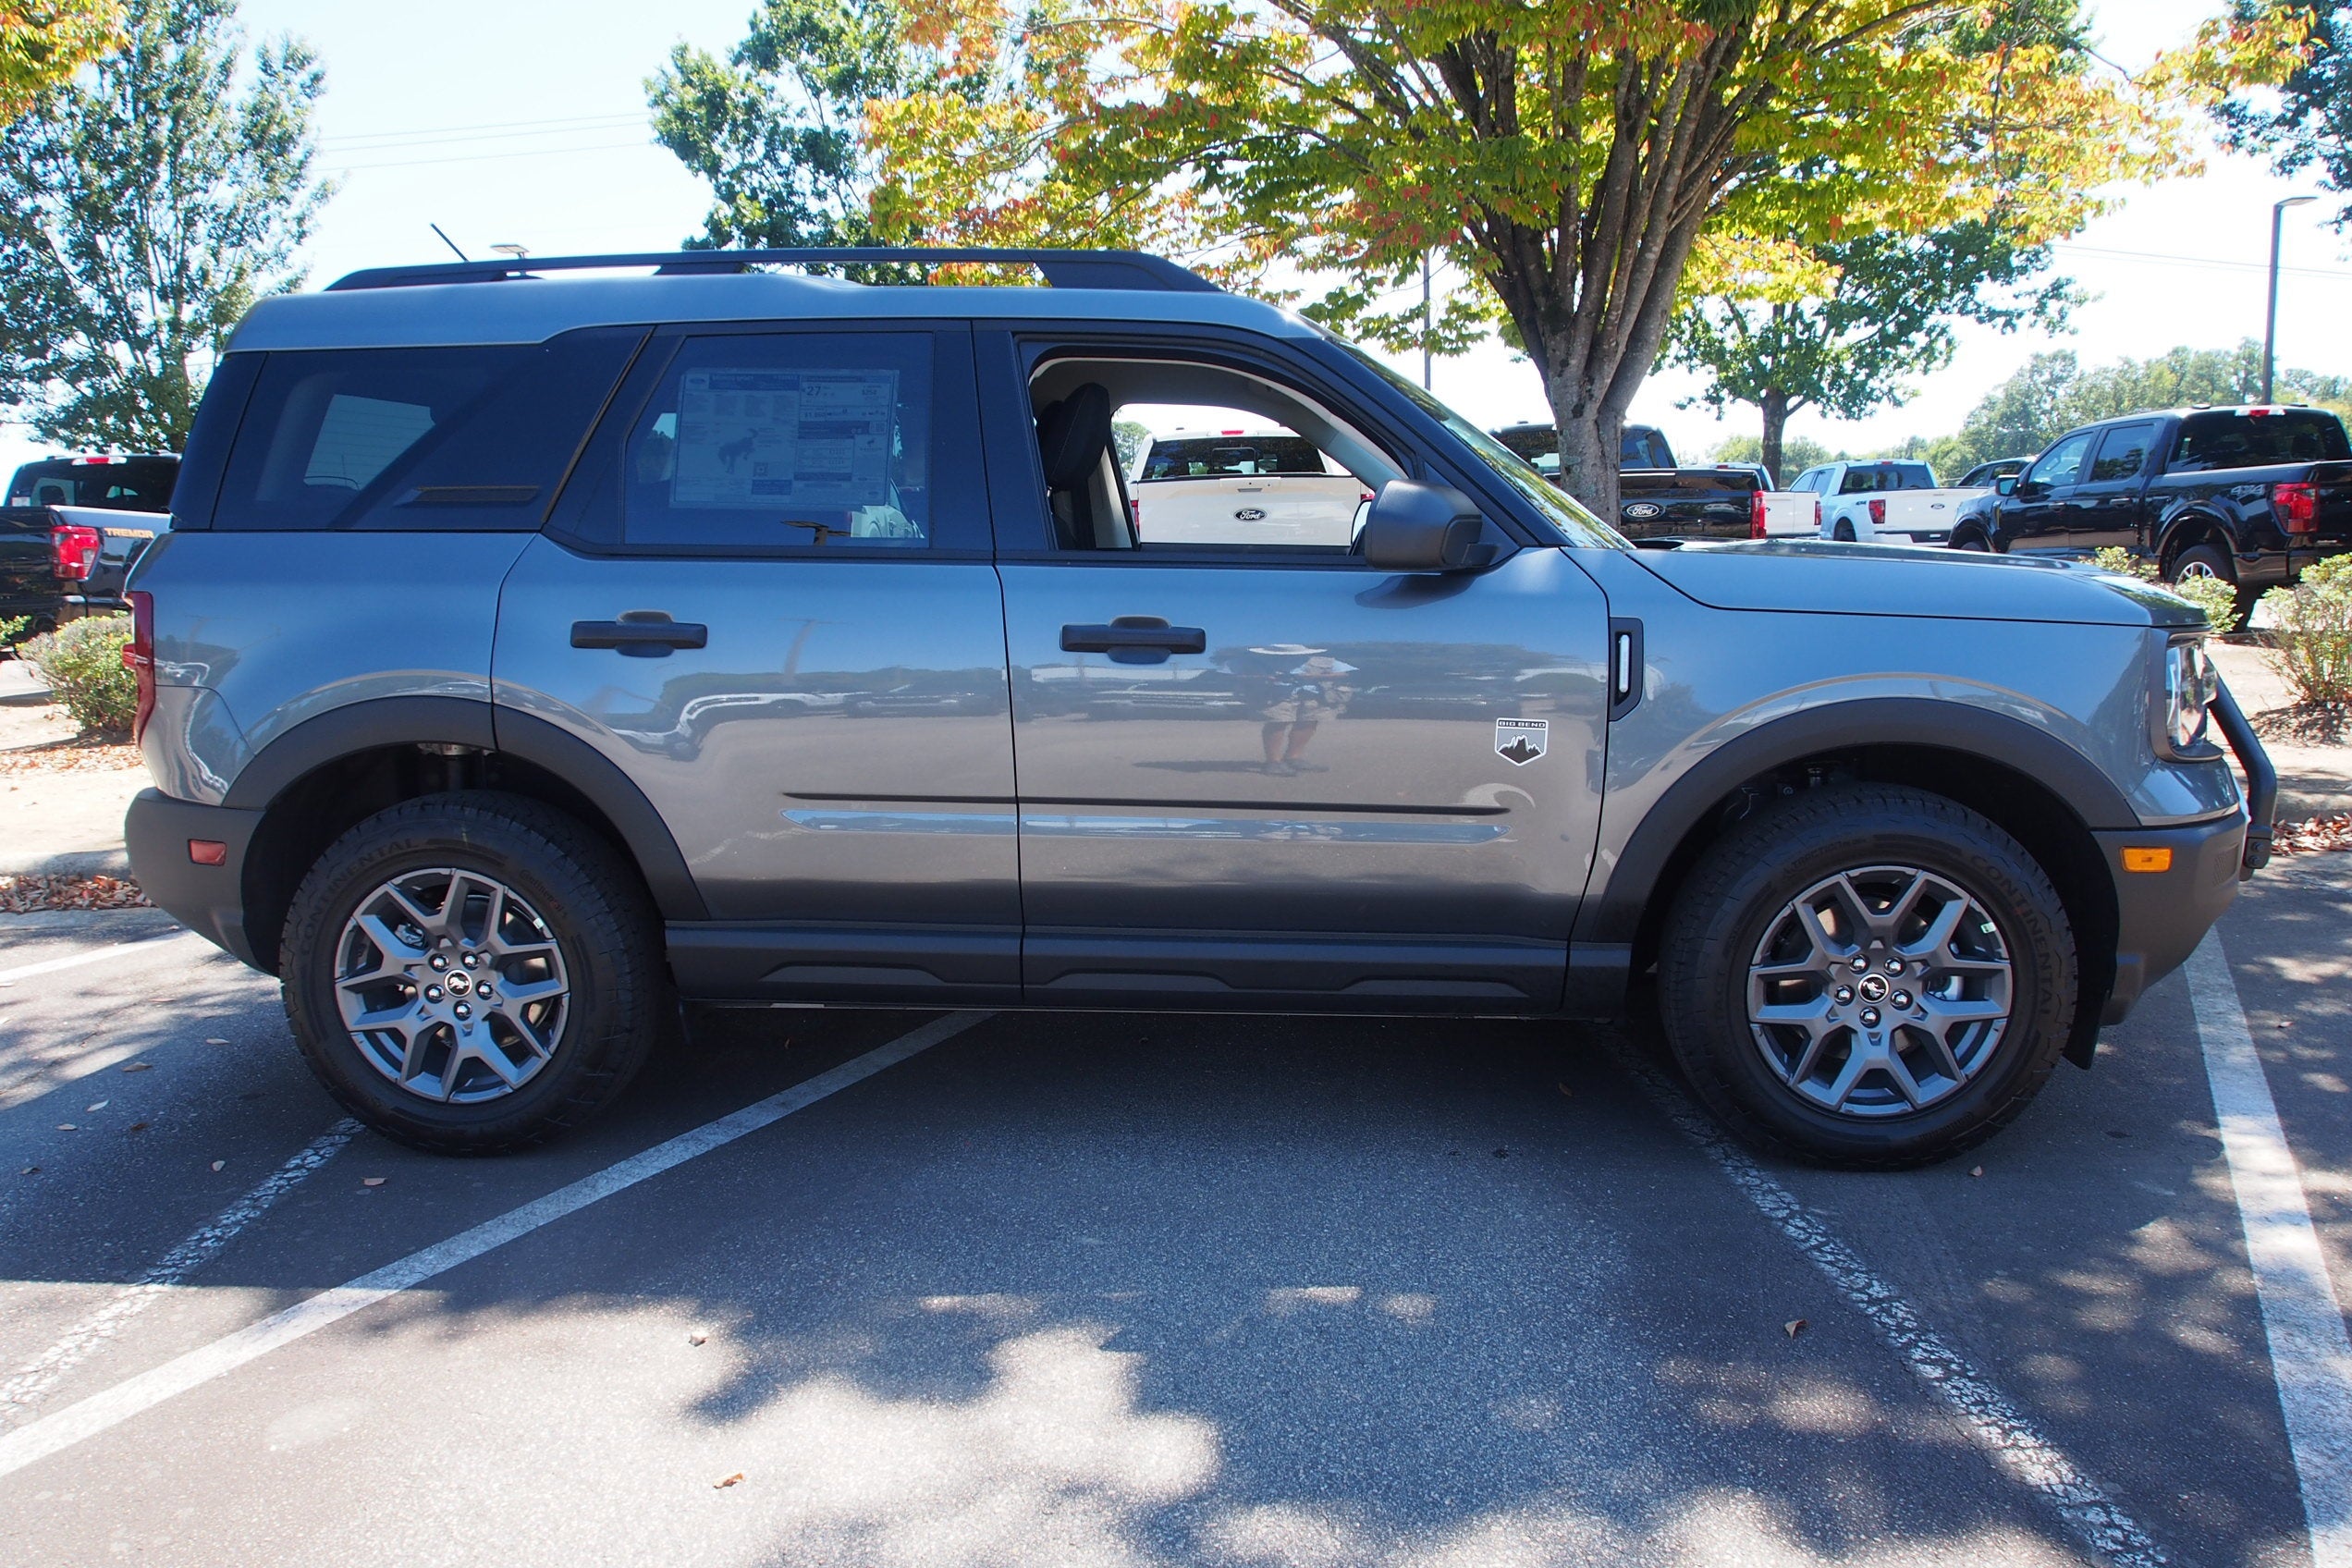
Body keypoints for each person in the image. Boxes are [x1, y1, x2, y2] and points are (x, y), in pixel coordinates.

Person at [1249, 644, 1354, 776]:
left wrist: (1315, 677)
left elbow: (1345, 673)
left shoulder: (1323, 661)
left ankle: (1293, 758)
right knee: (1277, 723)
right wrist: (1265, 678)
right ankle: (1273, 762)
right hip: (1277, 695)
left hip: (1312, 695)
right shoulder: (1257, 661)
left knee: (1308, 722)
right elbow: (1235, 675)